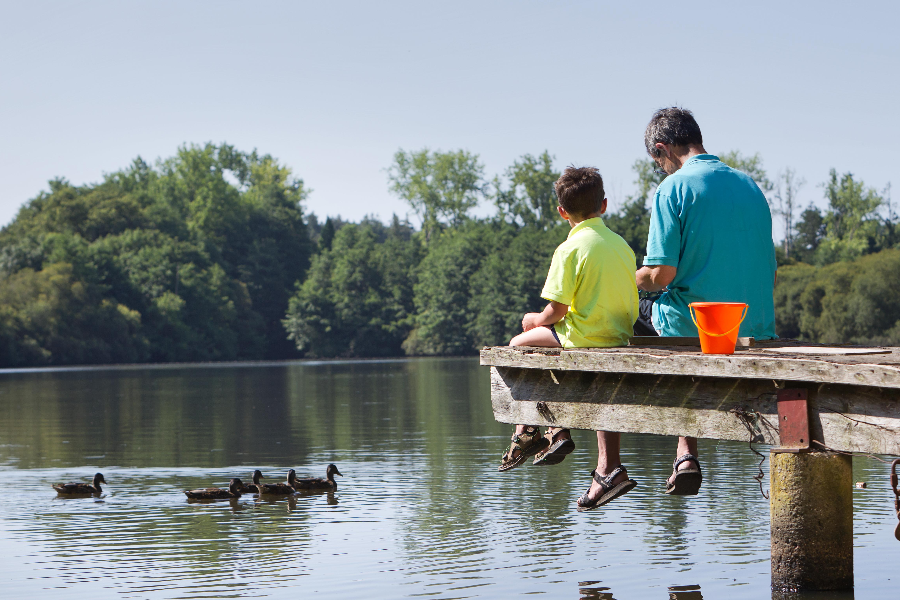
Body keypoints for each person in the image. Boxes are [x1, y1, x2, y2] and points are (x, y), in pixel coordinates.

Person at [596, 107, 777, 501]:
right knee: (684, 316)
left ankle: (607, 468)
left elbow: (661, 274)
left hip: (702, 326)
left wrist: (627, 281)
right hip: (756, 325)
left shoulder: (673, 188)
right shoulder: (749, 185)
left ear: (662, 149)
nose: (659, 170)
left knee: (609, 323)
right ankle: (684, 453)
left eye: (656, 162)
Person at [497, 166, 641, 511]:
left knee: (519, 345)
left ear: (562, 212)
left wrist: (533, 320)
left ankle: (536, 429)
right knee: (556, 355)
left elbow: (556, 312)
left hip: (582, 336)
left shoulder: (570, 248)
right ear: (604, 205)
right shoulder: (622, 246)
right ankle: (552, 431)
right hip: (619, 336)